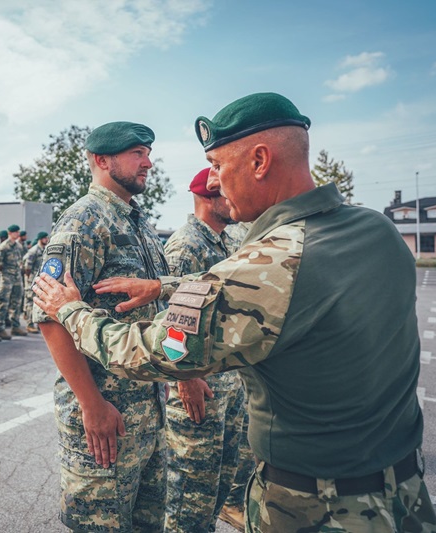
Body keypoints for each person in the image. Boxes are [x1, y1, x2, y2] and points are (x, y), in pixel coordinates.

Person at [33, 93, 436, 532]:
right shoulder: (377, 230)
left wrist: (71, 310)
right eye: (138, 153)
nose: (213, 180)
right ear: (101, 160)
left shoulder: (276, 259)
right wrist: (161, 289)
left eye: (217, 165)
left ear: (260, 161)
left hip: (321, 509)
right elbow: (251, 285)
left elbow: (158, 345)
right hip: (402, 496)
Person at [33, 121, 169, 531]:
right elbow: (50, 318)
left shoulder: (137, 221)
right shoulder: (84, 221)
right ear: (102, 160)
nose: (148, 162)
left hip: (148, 413)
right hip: (106, 415)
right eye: (137, 153)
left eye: (148, 153)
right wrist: (91, 405)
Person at [162, 168, 247, 532]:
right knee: (190, 492)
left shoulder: (223, 241)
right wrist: (185, 378)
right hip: (199, 386)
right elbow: (170, 321)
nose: (233, 199)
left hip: (227, 382)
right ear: (207, 199)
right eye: (226, 194)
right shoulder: (186, 246)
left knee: (220, 478)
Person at [0, 224, 27, 339]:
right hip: (6, 278)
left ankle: (15, 326)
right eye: (15, 232)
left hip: (17, 277)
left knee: (17, 302)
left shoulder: (19, 246)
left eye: (18, 232)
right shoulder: (3, 247)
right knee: (3, 302)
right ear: (10, 233)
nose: (17, 234)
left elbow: (21, 260)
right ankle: (0, 328)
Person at [22, 231, 48, 334]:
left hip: (40, 281)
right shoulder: (33, 251)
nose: (46, 240)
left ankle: (37, 323)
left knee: (39, 302)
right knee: (30, 302)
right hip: (32, 281)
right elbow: (27, 268)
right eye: (45, 238)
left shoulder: (45, 250)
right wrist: (29, 281)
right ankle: (29, 324)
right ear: (40, 239)